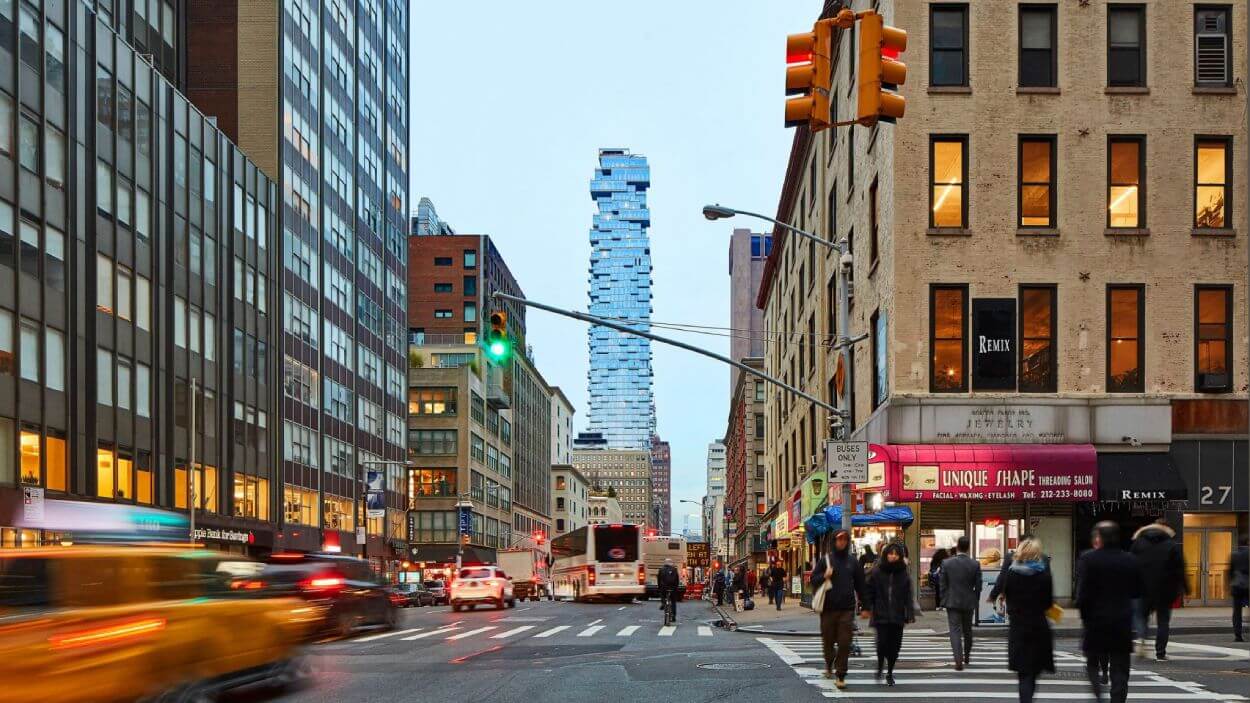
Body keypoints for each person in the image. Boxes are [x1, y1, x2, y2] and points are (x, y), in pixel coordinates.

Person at [1076, 521, 1141, 703]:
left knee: (1092, 663)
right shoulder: (1130, 559)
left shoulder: (1088, 559)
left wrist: (1085, 618)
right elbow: (1137, 591)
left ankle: (1099, 696)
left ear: (1099, 538)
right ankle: (1117, 699)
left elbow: (1082, 595)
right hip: (1121, 620)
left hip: (1095, 621)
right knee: (1120, 668)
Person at [998, 539, 1055, 703]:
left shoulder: (1011, 573)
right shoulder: (1044, 575)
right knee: (1034, 671)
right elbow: (1048, 603)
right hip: (1038, 626)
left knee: (1023, 673)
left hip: (1018, 627)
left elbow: (1008, 598)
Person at [810, 529, 867, 689]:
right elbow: (813, 579)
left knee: (844, 642)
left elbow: (861, 585)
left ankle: (840, 674)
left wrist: (866, 606)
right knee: (828, 641)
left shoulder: (853, 562)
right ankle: (829, 663)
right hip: (827, 609)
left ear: (847, 542)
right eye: (839, 539)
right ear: (834, 541)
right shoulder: (826, 560)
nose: (841, 542)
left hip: (846, 609)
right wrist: (824, 576)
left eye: (844, 539)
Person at [1130, 520, 1186, 660]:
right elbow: (1180, 569)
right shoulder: (1171, 545)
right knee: (1163, 621)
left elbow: (1130, 564)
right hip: (1165, 589)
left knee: (1141, 617)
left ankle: (1142, 638)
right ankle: (1160, 652)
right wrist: (1185, 587)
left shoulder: (1139, 543)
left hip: (1142, 588)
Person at [862, 542, 914, 686]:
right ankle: (880, 665)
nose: (893, 556)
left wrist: (909, 613)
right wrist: (867, 607)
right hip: (881, 613)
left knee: (895, 647)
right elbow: (869, 590)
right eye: (891, 553)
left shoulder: (903, 573)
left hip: (898, 615)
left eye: (896, 554)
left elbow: (908, 595)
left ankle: (890, 672)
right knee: (882, 644)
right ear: (886, 555)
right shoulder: (877, 571)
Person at [940, 536, 982, 670]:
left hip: (952, 601)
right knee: (968, 630)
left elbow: (942, 584)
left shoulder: (947, 563)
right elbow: (978, 586)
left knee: (955, 631)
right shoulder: (975, 564)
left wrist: (943, 600)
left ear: (957, 546)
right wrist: (975, 599)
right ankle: (967, 655)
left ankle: (958, 660)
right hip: (969, 601)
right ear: (968, 547)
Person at [1231, 538, 1249, 642]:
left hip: (1237, 585)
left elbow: (1230, 572)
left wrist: (1229, 585)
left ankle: (1238, 635)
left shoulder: (1234, 555)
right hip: (1247, 584)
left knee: (1237, 612)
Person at [656, 558, 680, 622]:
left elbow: (659, 580)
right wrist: (676, 588)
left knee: (662, 595)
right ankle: (673, 616)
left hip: (664, 588)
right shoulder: (674, 569)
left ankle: (663, 603)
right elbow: (677, 580)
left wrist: (659, 588)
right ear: (671, 563)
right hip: (672, 588)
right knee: (673, 602)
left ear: (665, 563)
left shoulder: (661, 570)